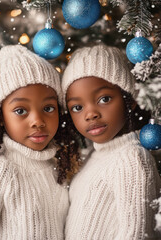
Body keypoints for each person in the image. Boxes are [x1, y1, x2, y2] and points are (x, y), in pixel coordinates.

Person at [0, 45, 79, 239]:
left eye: (48, 108)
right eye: (20, 110)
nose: (37, 121)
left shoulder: (60, 166)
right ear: (0, 117)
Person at [61, 44, 161, 240]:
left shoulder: (132, 160)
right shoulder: (93, 155)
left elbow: (138, 234)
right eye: (77, 107)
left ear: (129, 100)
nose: (90, 114)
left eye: (104, 99)